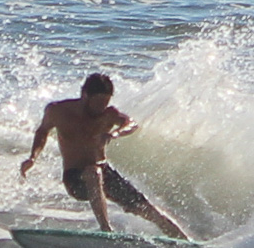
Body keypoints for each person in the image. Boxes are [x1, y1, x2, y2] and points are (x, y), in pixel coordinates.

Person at [19, 73, 189, 239]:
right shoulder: (58, 111)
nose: (101, 108)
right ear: (85, 95)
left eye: (105, 102)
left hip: (105, 173)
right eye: (98, 102)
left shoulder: (108, 114)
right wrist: (32, 158)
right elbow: (42, 131)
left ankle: (188, 244)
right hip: (75, 178)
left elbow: (131, 124)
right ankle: (106, 230)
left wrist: (114, 134)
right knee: (93, 172)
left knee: (149, 211)